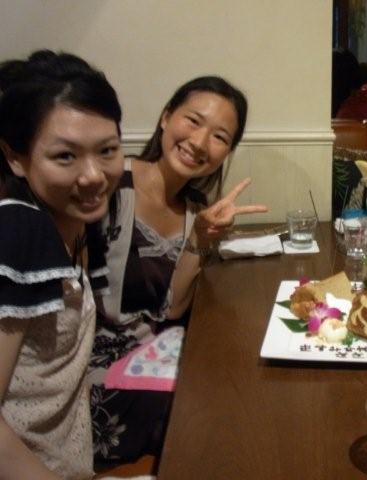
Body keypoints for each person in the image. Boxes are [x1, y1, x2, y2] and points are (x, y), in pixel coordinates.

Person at [89, 76, 268, 464]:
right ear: (166, 117)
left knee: (241, 386)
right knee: (214, 412)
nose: (200, 142)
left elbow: (171, 309)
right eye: (193, 121)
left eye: (219, 137)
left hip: (153, 357)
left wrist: (199, 238)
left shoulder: (196, 209)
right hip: (99, 372)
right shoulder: (111, 186)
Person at [0, 50, 124, 479]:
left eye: (107, 150)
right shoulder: (19, 230)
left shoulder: (78, 223)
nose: (93, 175)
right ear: (15, 158)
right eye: (65, 157)